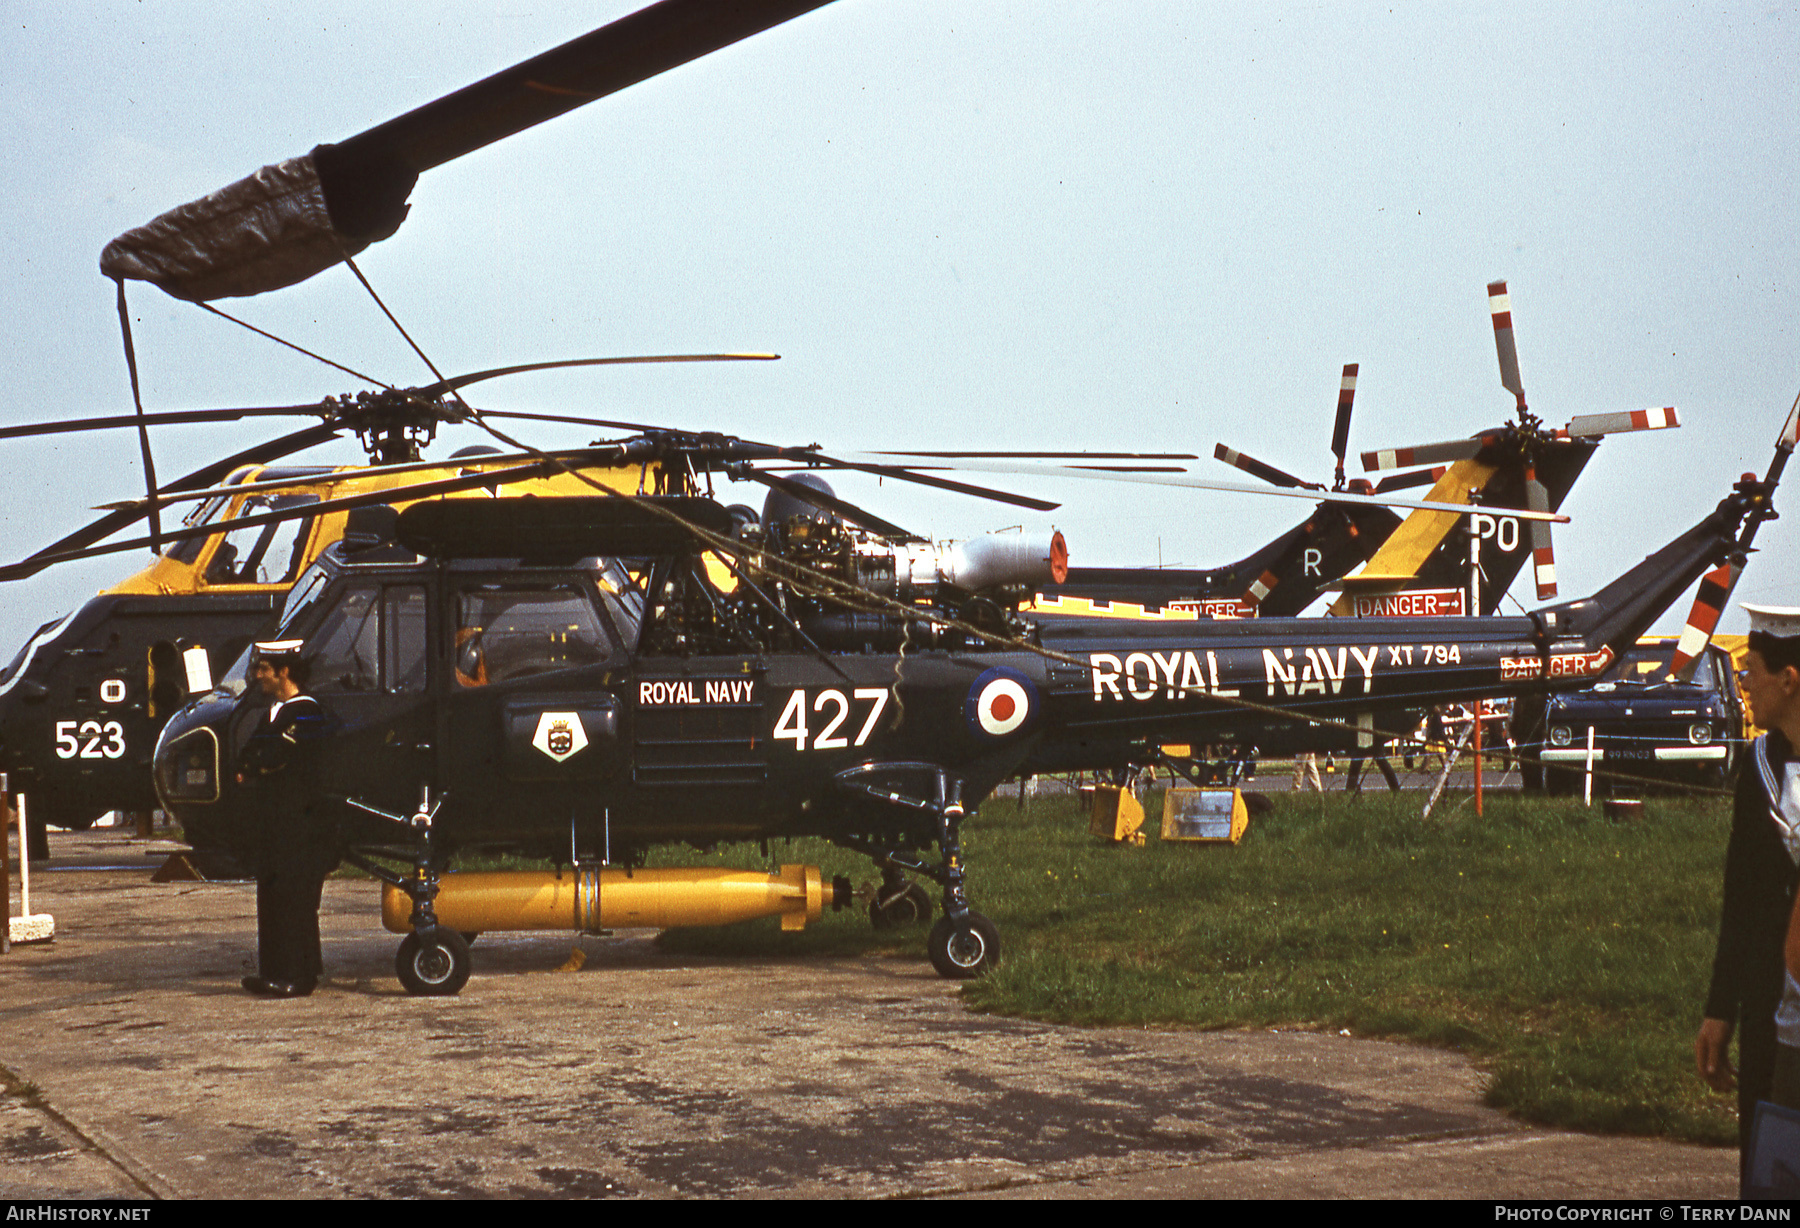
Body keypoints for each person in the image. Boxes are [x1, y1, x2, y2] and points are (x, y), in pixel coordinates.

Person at [1695, 604, 1800, 1185]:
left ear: (1789, 679)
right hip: (1769, 1005)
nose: (1744, 684)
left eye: (1751, 670)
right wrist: (1720, 1009)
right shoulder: (1758, 766)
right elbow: (1741, 896)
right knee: (1767, 1168)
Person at [235, 639, 336, 998]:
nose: (259, 675)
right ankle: (276, 970)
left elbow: (276, 756)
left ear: (285, 672)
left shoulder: (307, 712)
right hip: (277, 820)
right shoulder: (274, 713)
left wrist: (258, 765)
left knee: (295, 897)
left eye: (265, 669)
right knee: (274, 895)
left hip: (299, 821)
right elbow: (249, 756)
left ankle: (298, 974)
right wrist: (254, 764)